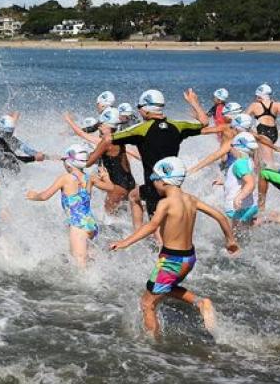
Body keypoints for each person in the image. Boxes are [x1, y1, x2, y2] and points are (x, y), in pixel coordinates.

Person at [109, 156, 239, 339]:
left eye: (155, 180)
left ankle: (152, 346)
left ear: (163, 181)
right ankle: (200, 302)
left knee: (147, 303)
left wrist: (125, 242)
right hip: (189, 258)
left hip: (171, 261)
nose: (154, 185)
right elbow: (220, 216)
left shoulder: (166, 203)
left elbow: (151, 226)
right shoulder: (191, 200)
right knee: (166, 287)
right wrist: (230, 241)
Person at [95, 89, 208, 229]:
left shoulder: (141, 129)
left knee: (153, 221)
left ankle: (138, 233)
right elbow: (204, 122)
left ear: (147, 110)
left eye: (140, 108)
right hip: (173, 184)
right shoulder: (177, 126)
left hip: (154, 185)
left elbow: (108, 138)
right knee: (141, 201)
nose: (139, 111)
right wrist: (194, 102)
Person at [26, 145, 112, 268]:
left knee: (80, 267)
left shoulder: (66, 178)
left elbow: (45, 196)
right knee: (91, 263)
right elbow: (111, 188)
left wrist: (34, 196)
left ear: (68, 163)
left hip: (78, 226)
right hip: (91, 224)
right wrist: (106, 177)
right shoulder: (90, 178)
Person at [70, 108, 138, 214]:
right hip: (131, 184)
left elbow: (88, 163)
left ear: (108, 125)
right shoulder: (119, 138)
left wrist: (75, 158)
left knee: (109, 218)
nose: (99, 127)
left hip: (119, 187)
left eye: (101, 124)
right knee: (126, 217)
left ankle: (82, 207)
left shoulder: (106, 141)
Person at [245, 84, 280, 167]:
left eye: (257, 96)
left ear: (260, 96)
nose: (256, 98)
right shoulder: (277, 104)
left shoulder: (254, 105)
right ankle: (258, 177)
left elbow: (243, 118)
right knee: (257, 158)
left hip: (263, 133)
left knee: (268, 162)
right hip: (274, 133)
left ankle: (272, 177)